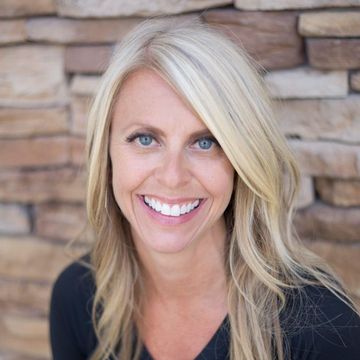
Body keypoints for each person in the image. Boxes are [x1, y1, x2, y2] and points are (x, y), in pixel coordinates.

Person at [49, 18, 360, 360]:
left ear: (242, 160)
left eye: (205, 142)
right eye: (145, 139)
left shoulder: (325, 330)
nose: (172, 177)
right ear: (106, 154)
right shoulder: (77, 299)